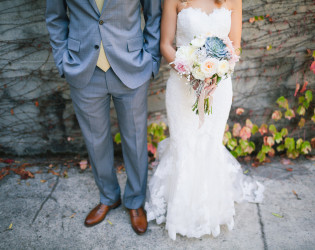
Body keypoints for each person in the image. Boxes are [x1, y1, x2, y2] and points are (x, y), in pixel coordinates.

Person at [145, 0, 264, 240]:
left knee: (210, 144)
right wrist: (191, 73)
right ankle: (181, 211)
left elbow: (235, 47)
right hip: (182, 86)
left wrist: (216, 74)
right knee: (184, 145)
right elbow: (165, 45)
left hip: (218, 89)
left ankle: (209, 209)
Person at [45, 0, 161, 235]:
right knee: (95, 141)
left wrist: (150, 60)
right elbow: (55, 18)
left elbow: (154, 15)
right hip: (83, 67)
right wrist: (62, 61)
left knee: (135, 139)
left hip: (131, 65)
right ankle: (109, 196)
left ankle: (135, 201)